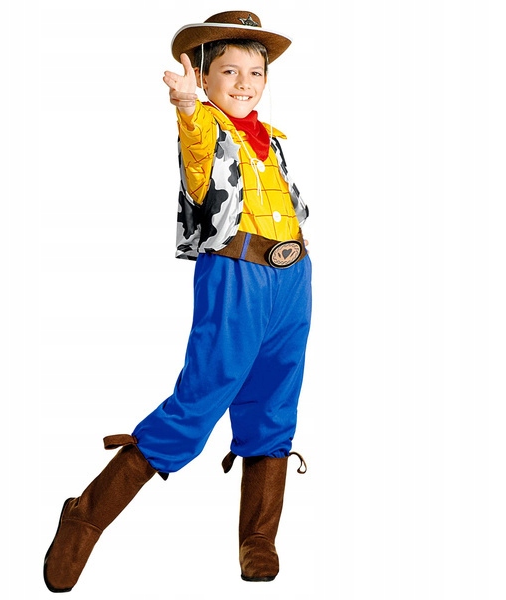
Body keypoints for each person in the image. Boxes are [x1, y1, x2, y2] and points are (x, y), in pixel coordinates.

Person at [43, 10, 312, 593]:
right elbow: (196, 148)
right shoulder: (205, 127)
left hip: (292, 278)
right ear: (206, 78)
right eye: (229, 71)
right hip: (235, 274)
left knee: (274, 399)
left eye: (255, 72)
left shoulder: (272, 139)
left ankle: (258, 538)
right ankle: (87, 514)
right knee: (200, 399)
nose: (244, 83)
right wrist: (187, 105)